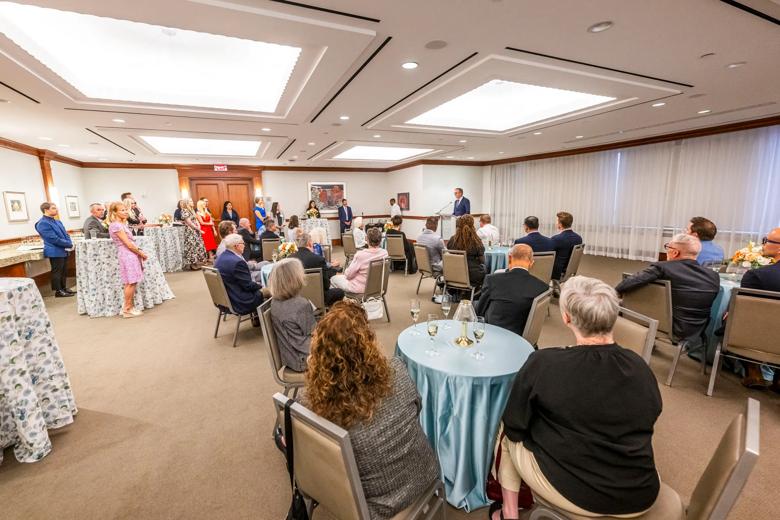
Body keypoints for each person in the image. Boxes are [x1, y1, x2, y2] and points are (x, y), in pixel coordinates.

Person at [495, 276, 662, 520]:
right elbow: (651, 415)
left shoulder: (545, 363)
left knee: (506, 433)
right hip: (640, 493)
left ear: (566, 317)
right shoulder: (640, 367)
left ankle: (509, 512)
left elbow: (515, 424)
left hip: (576, 494)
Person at [303, 300, 440, 518]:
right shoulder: (397, 370)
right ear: (368, 343)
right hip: (422, 474)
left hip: (371, 504)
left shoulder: (313, 405)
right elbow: (417, 409)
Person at [616, 233, 719, 341]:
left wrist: (615, 292)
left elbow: (629, 283)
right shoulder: (713, 275)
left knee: (616, 304)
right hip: (697, 329)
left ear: (675, 252)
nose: (666, 251)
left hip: (669, 326)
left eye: (668, 247)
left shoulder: (663, 267)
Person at [738, 228, 780, 389]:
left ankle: (753, 370)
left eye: (767, 241)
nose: (763, 244)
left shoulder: (757, 275)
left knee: (732, 318)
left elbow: (744, 313)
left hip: (761, 336)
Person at [476, 244, 550, 337]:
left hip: (492, 334)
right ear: (531, 263)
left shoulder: (492, 280)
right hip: (521, 338)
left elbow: (479, 312)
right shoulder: (542, 288)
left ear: (510, 258)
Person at [269, 258, 316, 373]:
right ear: (294, 279)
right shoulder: (300, 305)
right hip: (304, 358)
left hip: (290, 356)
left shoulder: (275, 301)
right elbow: (315, 334)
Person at [107, 201, 148, 318]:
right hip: (127, 254)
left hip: (130, 254)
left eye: (126, 210)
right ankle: (127, 309)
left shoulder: (122, 224)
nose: (125, 212)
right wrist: (141, 253)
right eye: (122, 210)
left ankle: (129, 307)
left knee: (132, 282)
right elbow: (128, 244)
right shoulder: (116, 225)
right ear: (114, 212)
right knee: (130, 282)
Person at [214, 234, 265, 316]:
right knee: (269, 291)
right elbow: (248, 286)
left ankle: (256, 318)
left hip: (226, 300)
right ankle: (263, 321)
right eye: (243, 244)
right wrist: (262, 286)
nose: (244, 246)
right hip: (239, 301)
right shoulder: (237, 262)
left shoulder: (221, 257)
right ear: (237, 246)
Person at [292, 232, 345, 306]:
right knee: (340, 292)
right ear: (310, 243)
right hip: (318, 298)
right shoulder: (318, 259)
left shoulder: (289, 259)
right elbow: (326, 285)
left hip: (297, 298)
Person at [330, 228, 388, 293]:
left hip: (359, 288)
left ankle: (342, 302)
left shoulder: (360, 255)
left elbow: (348, 275)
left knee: (333, 279)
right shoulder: (385, 253)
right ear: (380, 241)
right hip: (377, 287)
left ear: (367, 240)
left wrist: (346, 271)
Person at [35, 202, 75, 297]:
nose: (56, 210)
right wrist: (69, 244)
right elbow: (53, 239)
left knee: (64, 270)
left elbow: (66, 234)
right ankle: (58, 291)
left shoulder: (57, 221)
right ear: (46, 210)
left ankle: (64, 288)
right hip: (55, 251)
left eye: (56, 208)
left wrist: (70, 243)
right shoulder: (42, 223)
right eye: (53, 208)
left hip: (63, 249)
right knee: (57, 271)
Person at [447, 214, 485, 289]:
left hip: (453, 274)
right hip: (471, 276)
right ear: (472, 226)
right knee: (485, 268)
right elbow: (482, 261)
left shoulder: (452, 240)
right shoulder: (476, 241)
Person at [551, 211, 583, 280]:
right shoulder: (578, 238)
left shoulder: (557, 239)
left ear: (560, 224)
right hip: (569, 271)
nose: (556, 223)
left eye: (557, 222)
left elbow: (549, 254)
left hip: (557, 272)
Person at [179, 199, 207, 270]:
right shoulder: (184, 210)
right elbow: (189, 222)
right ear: (187, 203)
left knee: (197, 246)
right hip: (190, 231)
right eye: (191, 201)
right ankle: (192, 264)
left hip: (196, 230)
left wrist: (199, 226)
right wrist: (198, 229)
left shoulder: (192, 210)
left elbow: (196, 220)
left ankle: (197, 262)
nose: (192, 202)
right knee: (192, 247)